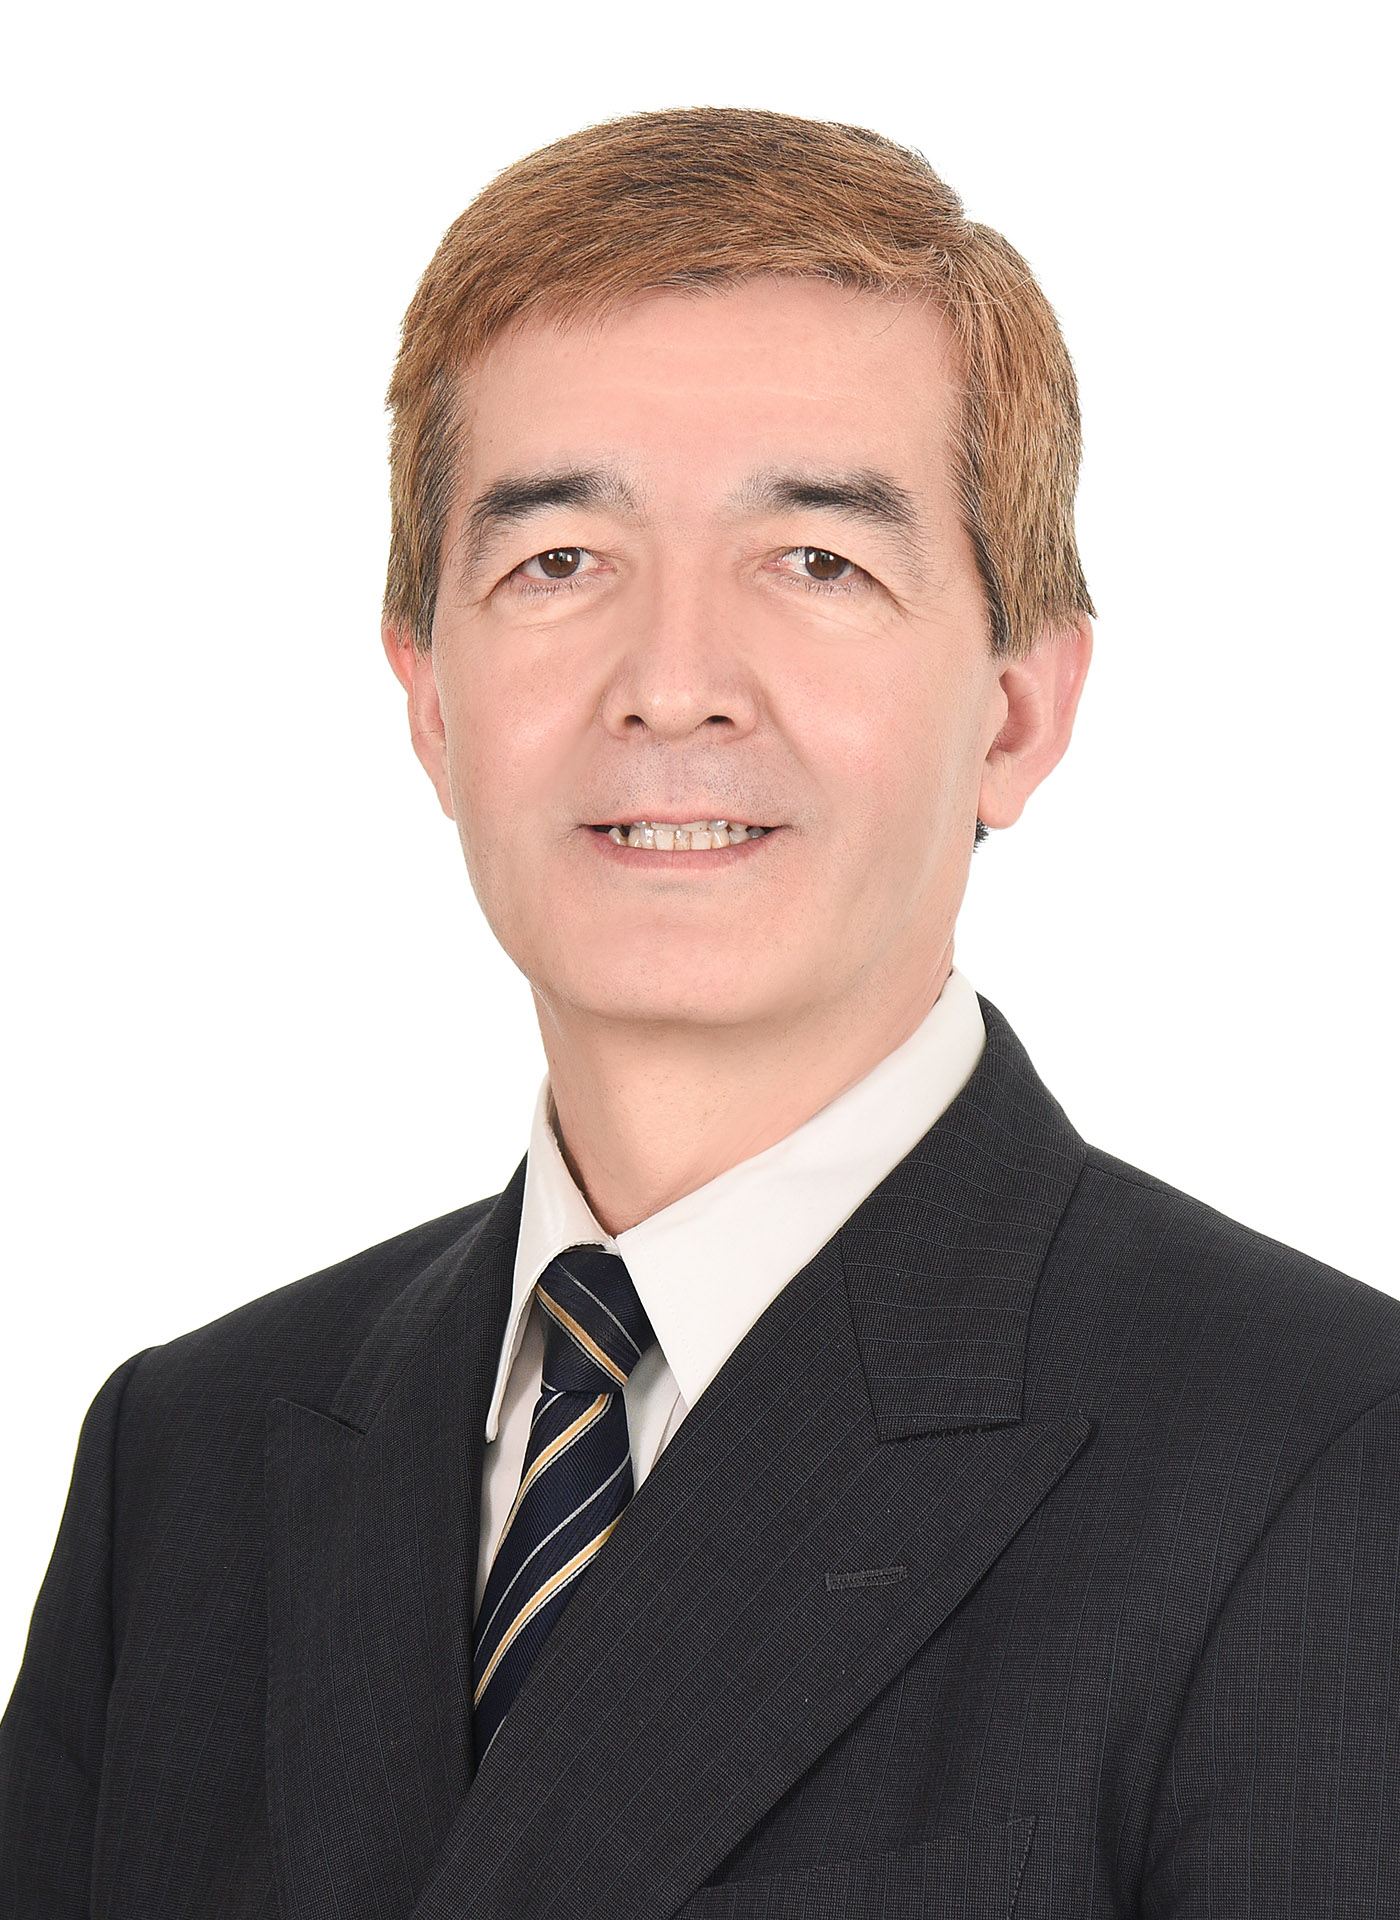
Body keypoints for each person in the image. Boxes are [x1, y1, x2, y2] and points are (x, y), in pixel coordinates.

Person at [2, 105, 1397, 1920]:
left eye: (817, 561)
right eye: (558, 562)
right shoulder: (185, 1464)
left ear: (1018, 711)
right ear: (431, 703)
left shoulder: (1319, 1461)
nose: (671, 687)